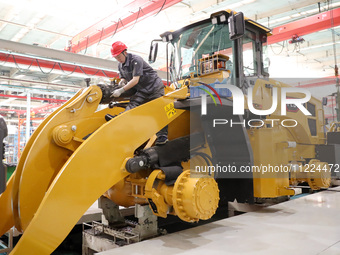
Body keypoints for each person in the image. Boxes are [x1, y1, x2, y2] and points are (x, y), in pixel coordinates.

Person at [109, 41, 168, 145]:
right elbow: (123, 77)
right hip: (141, 89)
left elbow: (135, 80)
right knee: (133, 104)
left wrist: (121, 90)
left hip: (154, 87)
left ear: (125, 52)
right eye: (116, 57)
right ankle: (120, 119)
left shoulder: (136, 60)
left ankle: (162, 136)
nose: (118, 59)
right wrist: (122, 81)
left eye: (119, 56)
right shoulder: (120, 65)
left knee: (158, 110)